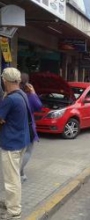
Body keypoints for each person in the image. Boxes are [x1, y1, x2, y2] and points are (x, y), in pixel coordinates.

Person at [0, 67, 32, 219]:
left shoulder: (10, 99)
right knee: (14, 177)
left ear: (5, 81)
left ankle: (14, 211)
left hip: (11, 143)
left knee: (11, 179)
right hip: (21, 141)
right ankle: (10, 202)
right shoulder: (22, 95)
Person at [19, 73, 42, 183]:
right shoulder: (28, 95)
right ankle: (17, 172)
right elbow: (38, 107)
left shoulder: (11, 93)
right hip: (28, 128)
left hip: (15, 128)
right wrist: (33, 93)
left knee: (19, 152)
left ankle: (21, 173)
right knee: (27, 151)